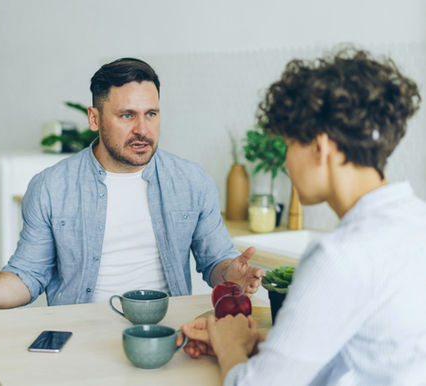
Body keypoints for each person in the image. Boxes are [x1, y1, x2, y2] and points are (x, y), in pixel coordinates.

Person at [0, 58, 264, 312]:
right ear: (95, 118)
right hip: (78, 333)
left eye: (151, 114)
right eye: (127, 115)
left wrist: (231, 272)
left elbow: (215, 262)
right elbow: (26, 276)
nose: (143, 129)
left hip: (166, 333)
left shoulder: (191, 181)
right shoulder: (51, 187)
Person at [179, 48, 425, 385]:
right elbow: (363, 350)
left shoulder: (340, 256)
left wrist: (230, 345)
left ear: (320, 147)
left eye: (288, 144)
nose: (285, 162)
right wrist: (254, 345)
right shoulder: (415, 221)